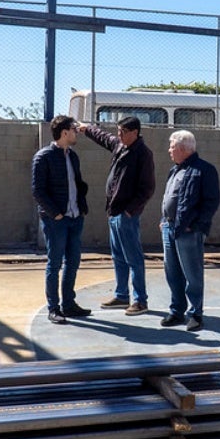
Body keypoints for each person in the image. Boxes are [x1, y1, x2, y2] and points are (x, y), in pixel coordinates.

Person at [79, 116, 155, 315]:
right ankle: (122, 295)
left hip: (126, 214)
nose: (118, 135)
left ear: (134, 133)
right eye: (118, 131)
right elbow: (103, 137)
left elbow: (147, 188)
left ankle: (140, 300)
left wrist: (130, 211)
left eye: (122, 132)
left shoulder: (143, 154)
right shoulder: (120, 146)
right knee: (118, 256)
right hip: (114, 211)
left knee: (134, 258)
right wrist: (86, 129)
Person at [31, 115, 91, 324]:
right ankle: (54, 308)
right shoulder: (43, 157)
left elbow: (78, 184)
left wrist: (81, 208)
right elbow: (38, 191)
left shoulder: (73, 156)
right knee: (54, 263)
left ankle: (69, 304)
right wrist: (55, 213)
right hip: (56, 220)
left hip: (75, 218)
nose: (76, 132)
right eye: (74, 129)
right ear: (64, 133)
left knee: (73, 262)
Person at [159, 130, 220, 331]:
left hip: (188, 231)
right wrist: (164, 219)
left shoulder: (204, 170)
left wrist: (194, 225)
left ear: (183, 149)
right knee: (172, 272)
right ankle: (177, 311)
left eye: (172, 146)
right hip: (169, 228)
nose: (169, 150)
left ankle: (195, 313)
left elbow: (211, 202)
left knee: (192, 274)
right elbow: (169, 197)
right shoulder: (174, 170)